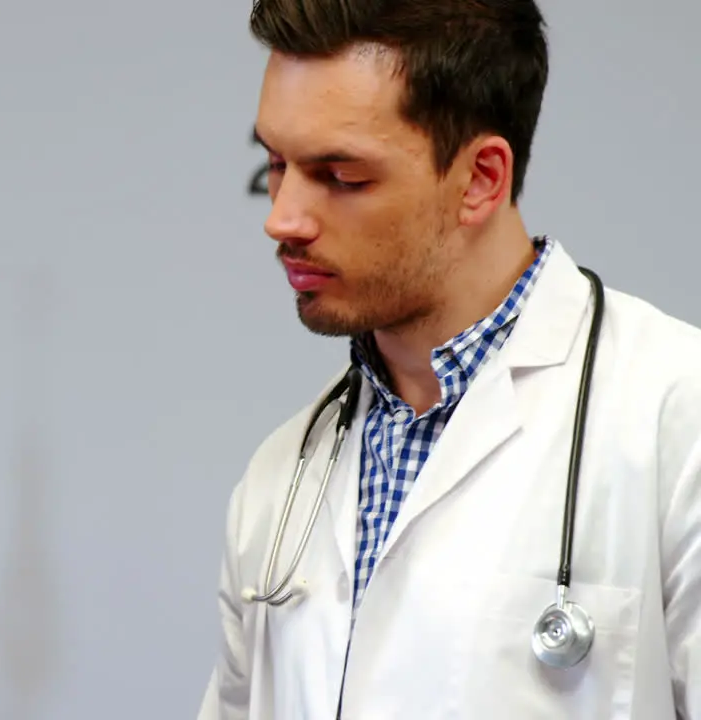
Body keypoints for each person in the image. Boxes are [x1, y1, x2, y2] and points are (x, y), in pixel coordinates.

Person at [198, 1, 701, 718]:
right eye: (276, 164)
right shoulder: (280, 484)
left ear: (481, 179)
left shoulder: (677, 421)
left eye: (340, 176)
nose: (282, 217)